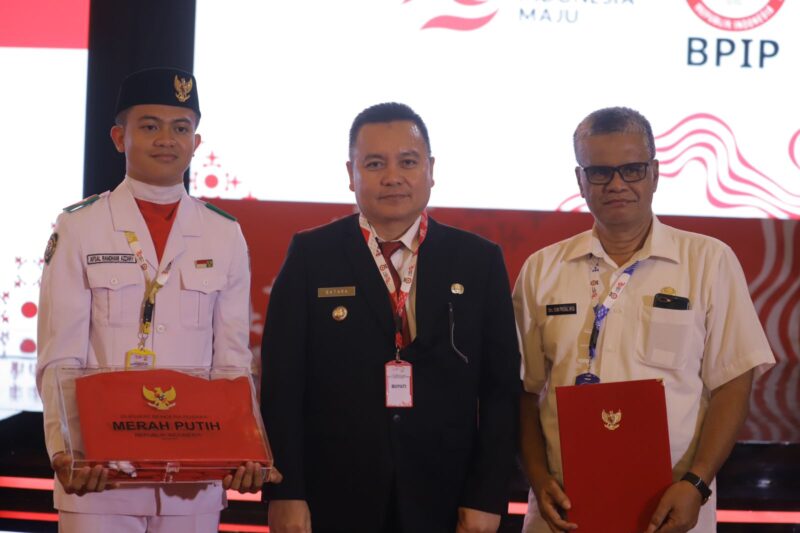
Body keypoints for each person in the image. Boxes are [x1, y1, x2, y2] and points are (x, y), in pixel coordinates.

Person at [36, 67, 279, 532]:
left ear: (196, 142)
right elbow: (60, 355)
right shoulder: (80, 227)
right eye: (149, 126)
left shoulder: (224, 233)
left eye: (180, 128)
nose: (167, 139)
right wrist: (67, 449)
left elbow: (231, 360)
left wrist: (241, 445)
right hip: (100, 475)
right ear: (119, 137)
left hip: (193, 480)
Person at [513, 106, 775, 533]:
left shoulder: (708, 261)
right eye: (600, 172)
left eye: (632, 169)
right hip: (564, 507)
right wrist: (539, 479)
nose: (617, 184)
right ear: (580, 181)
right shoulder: (542, 270)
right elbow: (522, 391)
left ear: (654, 173)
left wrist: (696, 484)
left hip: (671, 507)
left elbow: (733, 382)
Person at [260, 102, 520, 532]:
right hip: (334, 497)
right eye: (375, 164)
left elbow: (500, 391)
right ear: (351, 173)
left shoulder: (478, 260)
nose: (393, 177)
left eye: (408, 162)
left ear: (431, 170)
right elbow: (282, 385)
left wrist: (487, 496)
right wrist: (286, 491)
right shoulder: (311, 255)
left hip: (447, 499)